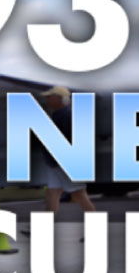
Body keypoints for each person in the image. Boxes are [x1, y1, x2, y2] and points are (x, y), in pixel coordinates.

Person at [38, 85, 97, 217]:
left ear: (61, 99)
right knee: (52, 194)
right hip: (55, 163)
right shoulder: (58, 115)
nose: (47, 100)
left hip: (66, 163)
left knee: (79, 195)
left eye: (50, 97)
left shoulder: (67, 116)